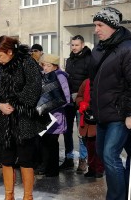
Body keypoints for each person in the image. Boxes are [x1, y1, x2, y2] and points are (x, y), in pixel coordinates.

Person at [89, 6, 131, 200]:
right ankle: (125, 191)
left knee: (110, 154)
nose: (96, 30)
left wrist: (130, 113)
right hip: (102, 115)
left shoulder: (128, 48)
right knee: (103, 154)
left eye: (100, 25)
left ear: (112, 25)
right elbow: (94, 83)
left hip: (119, 114)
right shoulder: (98, 50)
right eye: (95, 25)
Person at [0, 36, 43, 200]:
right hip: (5, 120)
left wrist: (13, 103)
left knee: (26, 159)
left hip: (24, 119)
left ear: (9, 52)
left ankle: (28, 199)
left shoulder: (28, 63)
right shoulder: (3, 67)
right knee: (6, 158)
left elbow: (33, 89)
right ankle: (9, 197)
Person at [64, 35, 94, 171]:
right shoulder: (69, 60)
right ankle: (69, 158)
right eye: (72, 45)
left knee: (82, 133)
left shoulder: (89, 59)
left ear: (82, 45)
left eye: (77, 45)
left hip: (82, 102)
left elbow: (90, 82)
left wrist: (84, 99)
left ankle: (83, 160)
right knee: (66, 131)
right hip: (69, 101)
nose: (74, 47)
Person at [38, 54, 71, 178]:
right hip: (44, 116)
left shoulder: (60, 77)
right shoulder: (43, 77)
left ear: (55, 66)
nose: (45, 68)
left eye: (48, 65)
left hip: (55, 117)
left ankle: (53, 170)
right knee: (44, 143)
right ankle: (46, 167)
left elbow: (66, 98)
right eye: (44, 65)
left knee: (52, 143)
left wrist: (49, 107)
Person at [76, 78, 104, 179]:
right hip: (86, 119)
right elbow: (79, 96)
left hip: (98, 119)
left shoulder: (103, 80)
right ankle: (92, 168)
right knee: (89, 146)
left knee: (98, 146)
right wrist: (81, 103)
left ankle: (99, 169)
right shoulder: (86, 82)